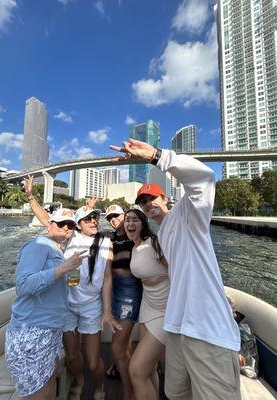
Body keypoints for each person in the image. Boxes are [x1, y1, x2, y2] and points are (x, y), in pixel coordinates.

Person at [110, 139, 241, 400]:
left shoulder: (187, 214)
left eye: (152, 197)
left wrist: (158, 156)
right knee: (174, 393)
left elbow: (203, 179)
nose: (148, 203)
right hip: (177, 325)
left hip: (207, 329)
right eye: (142, 201)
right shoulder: (162, 233)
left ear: (166, 197)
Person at [24, 177, 121, 400]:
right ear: (78, 225)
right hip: (66, 305)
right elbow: (46, 220)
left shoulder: (106, 242)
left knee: (93, 360)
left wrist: (107, 310)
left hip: (91, 305)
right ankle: (79, 381)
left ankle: (99, 386)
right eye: (88, 219)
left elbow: (107, 278)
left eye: (95, 218)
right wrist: (30, 196)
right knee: (72, 356)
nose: (94, 221)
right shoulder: (69, 236)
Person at [5, 208, 85, 400]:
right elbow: (24, 286)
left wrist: (67, 271)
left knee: (48, 386)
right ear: (50, 224)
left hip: (49, 330)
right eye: (61, 223)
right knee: (39, 395)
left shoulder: (57, 250)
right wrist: (64, 268)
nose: (67, 228)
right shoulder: (38, 245)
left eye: (71, 225)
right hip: (31, 332)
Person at [124, 208, 169, 400]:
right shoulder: (134, 247)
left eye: (135, 220)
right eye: (127, 220)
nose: (130, 224)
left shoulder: (155, 243)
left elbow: (179, 268)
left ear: (143, 223)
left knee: (136, 370)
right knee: (149, 370)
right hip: (147, 305)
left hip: (165, 308)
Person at [104, 204, 142, 400]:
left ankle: (129, 393)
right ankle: (121, 366)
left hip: (129, 289)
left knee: (117, 346)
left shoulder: (133, 236)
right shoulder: (109, 237)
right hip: (114, 287)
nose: (113, 219)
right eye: (109, 217)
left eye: (117, 216)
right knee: (122, 344)